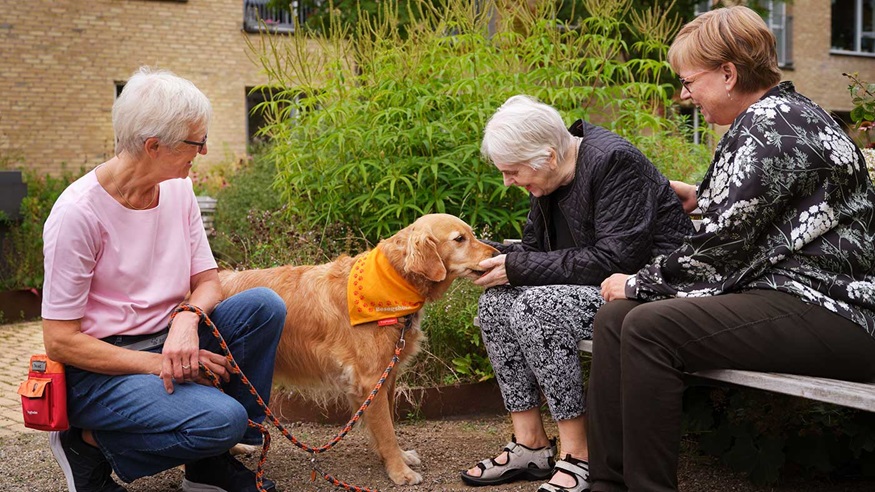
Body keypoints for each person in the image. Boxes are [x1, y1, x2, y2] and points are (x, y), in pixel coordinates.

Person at [589, 6, 875, 492]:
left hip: (838, 309)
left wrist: (637, 281)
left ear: (728, 73)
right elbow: (772, 205)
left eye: (688, 81)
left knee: (646, 325)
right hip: (793, 295)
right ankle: (608, 484)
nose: (684, 95)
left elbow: (722, 248)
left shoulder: (771, 126)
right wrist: (702, 197)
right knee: (615, 320)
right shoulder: (776, 117)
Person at [41, 66, 287, 492]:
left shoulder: (177, 187)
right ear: (153, 146)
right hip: (100, 370)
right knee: (222, 419)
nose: (204, 151)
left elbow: (208, 281)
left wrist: (186, 321)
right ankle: (87, 445)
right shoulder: (77, 214)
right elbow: (60, 341)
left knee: (263, 307)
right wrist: (164, 365)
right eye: (197, 142)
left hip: (169, 337)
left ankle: (208, 465)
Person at [460, 95, 693, 492]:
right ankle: (530, 444)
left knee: (537, 307)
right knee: (497, 302)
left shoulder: (613, 162)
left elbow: (615, 258)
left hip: (650, 287)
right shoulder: (549, 178)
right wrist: (485, 257)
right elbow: (535, 252)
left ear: (548, 155)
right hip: (595, 286)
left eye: (512, 172)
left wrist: (516, 268)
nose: (508, 182)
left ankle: (580, 456)